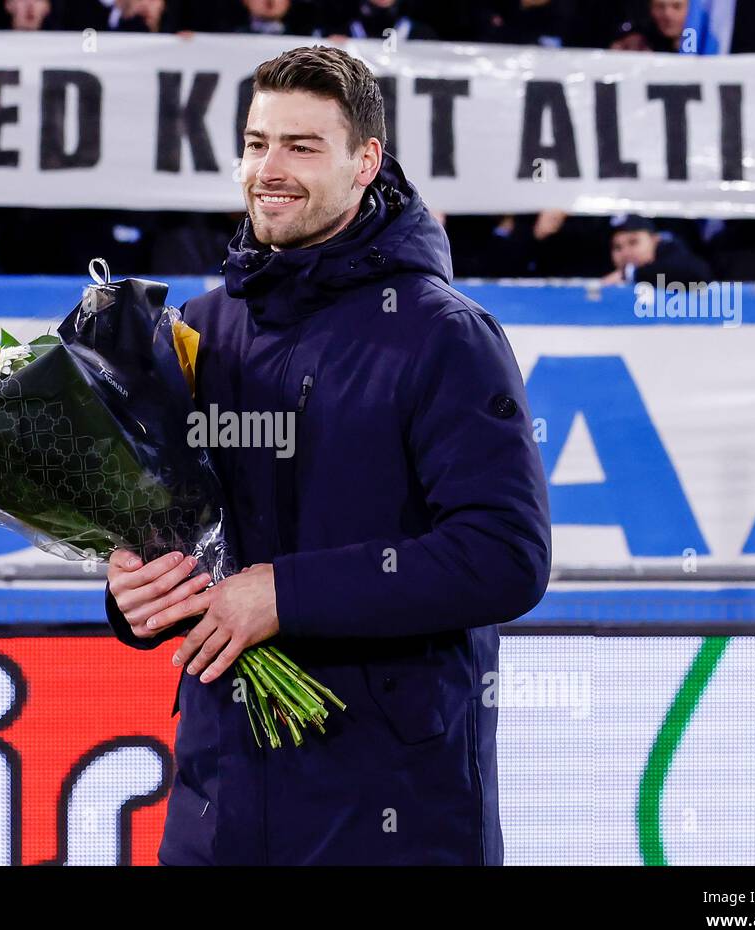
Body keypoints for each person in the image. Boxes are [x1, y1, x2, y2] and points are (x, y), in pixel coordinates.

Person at [105, 45, 551, 865]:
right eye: (256, 143)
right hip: (218, 808)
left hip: (391, 813)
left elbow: (506, 557)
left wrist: (284, 593)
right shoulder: (198, 329)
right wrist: (134, 592)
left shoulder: (444, 335)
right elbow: (176, 538)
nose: (269, 169)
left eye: (302, 147)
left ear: (364, 162)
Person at [603, 214, 713, 285]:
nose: (625, 253)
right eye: (617, 247)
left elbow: (696, 274)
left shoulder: (673, 256)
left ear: (654, 240)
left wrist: (631, 274)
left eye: (633, 242)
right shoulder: (612, 277)